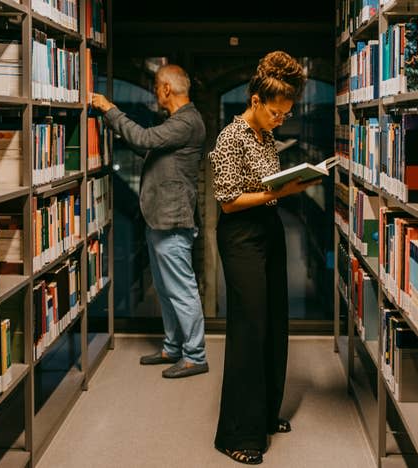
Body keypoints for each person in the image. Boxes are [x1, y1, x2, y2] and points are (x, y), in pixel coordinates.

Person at [208, 51, 319, 464]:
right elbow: (229, 200)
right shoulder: (230, 137)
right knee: (249, 329)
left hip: (269, 230)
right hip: (241, 236)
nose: (279, 120)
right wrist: (280, 192)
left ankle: (266, 415)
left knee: (274, 322)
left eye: (285, 115)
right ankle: (238, 434)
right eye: (275, 112)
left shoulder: (265, 136)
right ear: (255, 101)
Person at [91, 64, 208, 379]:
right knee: (166, 288)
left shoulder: (186, 122)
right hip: (160, 218)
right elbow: (147, 147)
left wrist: (111, 110)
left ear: (167, 88)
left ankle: (195, 355)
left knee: (181, 289)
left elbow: (143, 139)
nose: (156, 94)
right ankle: (173, 346)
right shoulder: (176, 123)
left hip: (172, 220)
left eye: (157, 87)